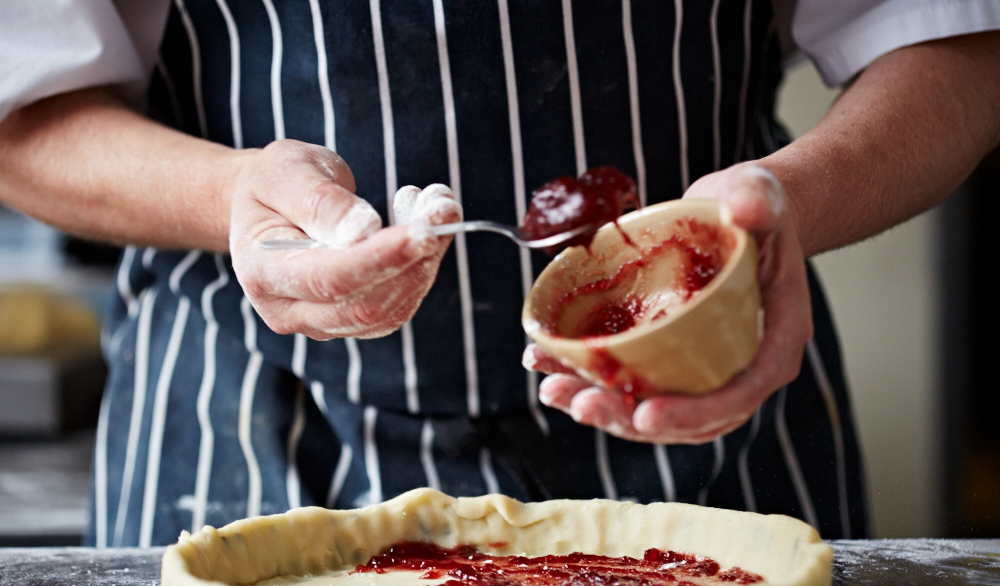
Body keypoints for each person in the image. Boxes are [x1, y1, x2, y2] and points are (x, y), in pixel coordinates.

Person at [1, 1, 998, 547]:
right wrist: (232, 196)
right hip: (254, 446)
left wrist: (798, 196)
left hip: (706, 437)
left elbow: (956, 41)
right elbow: (24, 113)